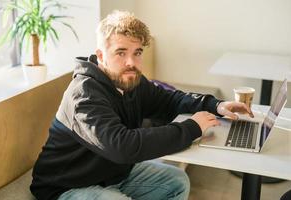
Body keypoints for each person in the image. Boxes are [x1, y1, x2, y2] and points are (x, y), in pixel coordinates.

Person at [30, 10, 253, 200]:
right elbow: (123, 147)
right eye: (121, 53)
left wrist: (216, 105)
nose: (131, 63)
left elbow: (169, 100)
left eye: (137, 53)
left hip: (112, 174)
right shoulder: (84, 95)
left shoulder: (131, 81)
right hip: (67, 186)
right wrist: (191, 127)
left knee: (176, 182)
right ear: (100, 55)